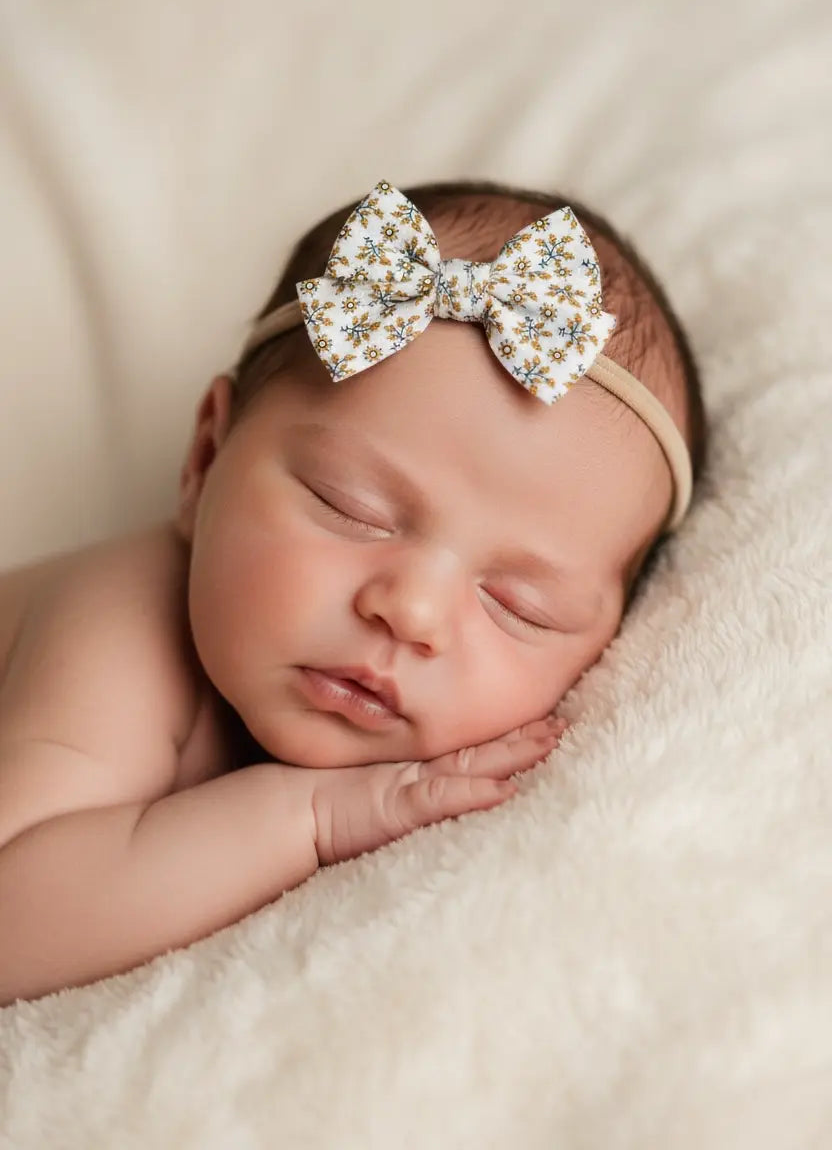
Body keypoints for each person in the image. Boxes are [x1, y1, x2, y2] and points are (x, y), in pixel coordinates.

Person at [0, 179, 708, 1003]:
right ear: (204, 461)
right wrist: (313, 817)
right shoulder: (117, 625)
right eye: (352, 510)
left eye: (520, 605)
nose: (410, 612)